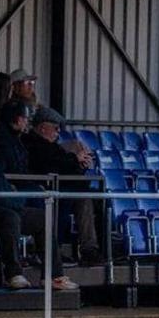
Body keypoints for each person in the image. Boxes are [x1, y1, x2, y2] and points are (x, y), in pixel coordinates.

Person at [0, 120, 77, 291]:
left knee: (41, 218)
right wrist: (2, 198)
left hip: (5, 204)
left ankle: (53, 275)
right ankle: (13, 274)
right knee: (9, 218)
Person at [22, 106, 102, 265]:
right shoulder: (31, 144)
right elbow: (49, 166)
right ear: (43, 127)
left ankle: (89, 249)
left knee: (86, 195)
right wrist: (74, 159)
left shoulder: (53, 146)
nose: (58, 133)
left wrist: (81, 165)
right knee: (68, 198)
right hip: (42, 188)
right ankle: (54, 250)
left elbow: (65, 167)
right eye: (55, 129)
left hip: (61, 187)